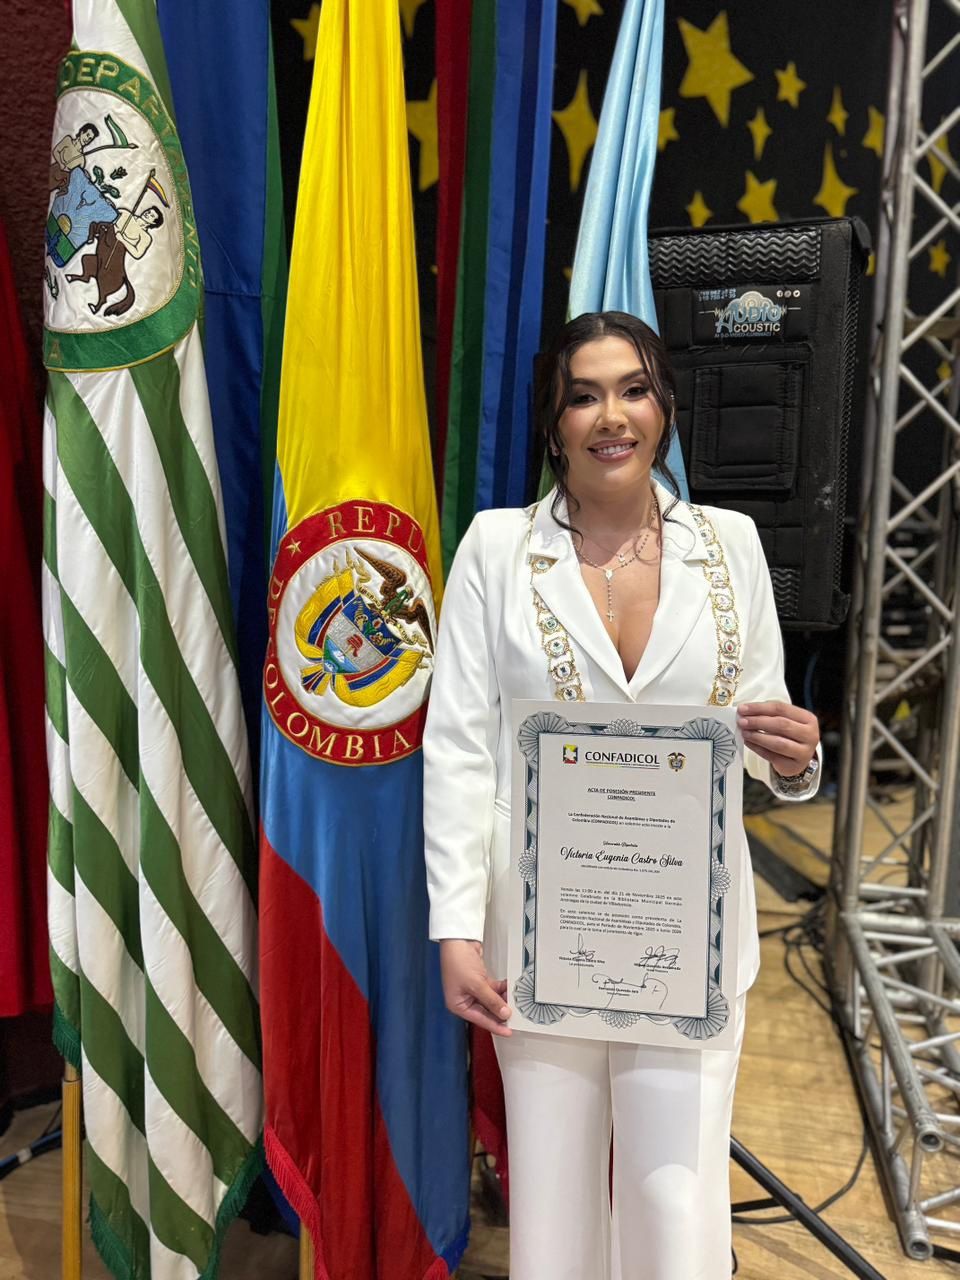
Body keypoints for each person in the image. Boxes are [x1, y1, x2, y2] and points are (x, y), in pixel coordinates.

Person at [423, 311, 821, 1280]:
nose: (612, 416)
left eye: (634, 389)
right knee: (552, 1201)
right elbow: (460, 745)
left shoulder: (731, 545)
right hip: (541, 937)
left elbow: (762, 738)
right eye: (584, 396)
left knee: (676, 1203)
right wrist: (456, 927)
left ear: (665, 407)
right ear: (553, 422)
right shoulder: (495, 549)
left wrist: (795, 758)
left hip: (690, 939)